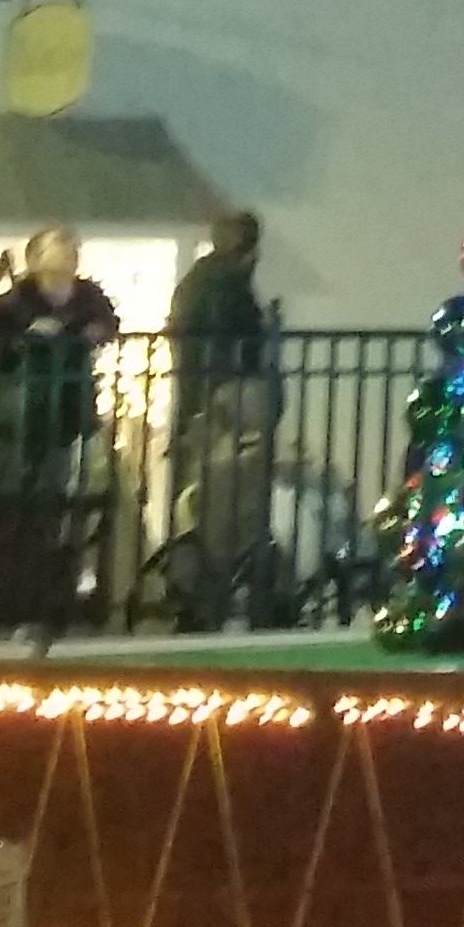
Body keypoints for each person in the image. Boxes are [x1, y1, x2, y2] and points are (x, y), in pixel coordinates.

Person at [0, 227, 121, 632]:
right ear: (35, 261)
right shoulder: (15, 302)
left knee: (72, 506)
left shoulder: (89, 296)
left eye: (70, 255)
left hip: (72, 413)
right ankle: (16, 600)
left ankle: (61, 597)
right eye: (57, 256)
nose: (66, 264)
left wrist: (87, 333)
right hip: (23, 417)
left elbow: (108, 323)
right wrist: (25, 339)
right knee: (22, 504)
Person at [163, 213, 280, 626]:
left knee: (205, 501)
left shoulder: (196, 282)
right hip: (223, 397)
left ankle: (201, 597)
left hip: (202, 398)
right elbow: (244, 344)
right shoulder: (229, 286)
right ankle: (216, 599)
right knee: (227, 507)